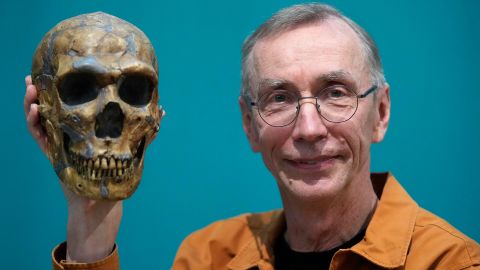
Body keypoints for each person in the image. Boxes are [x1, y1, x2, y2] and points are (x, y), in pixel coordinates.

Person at [25, 3, 479, 270]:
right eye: (279, 98)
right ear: (249, 125)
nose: (308, 128)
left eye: (335, 93)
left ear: (379, 113)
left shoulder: (454, 263)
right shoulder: (207, 258)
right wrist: (91, 213)